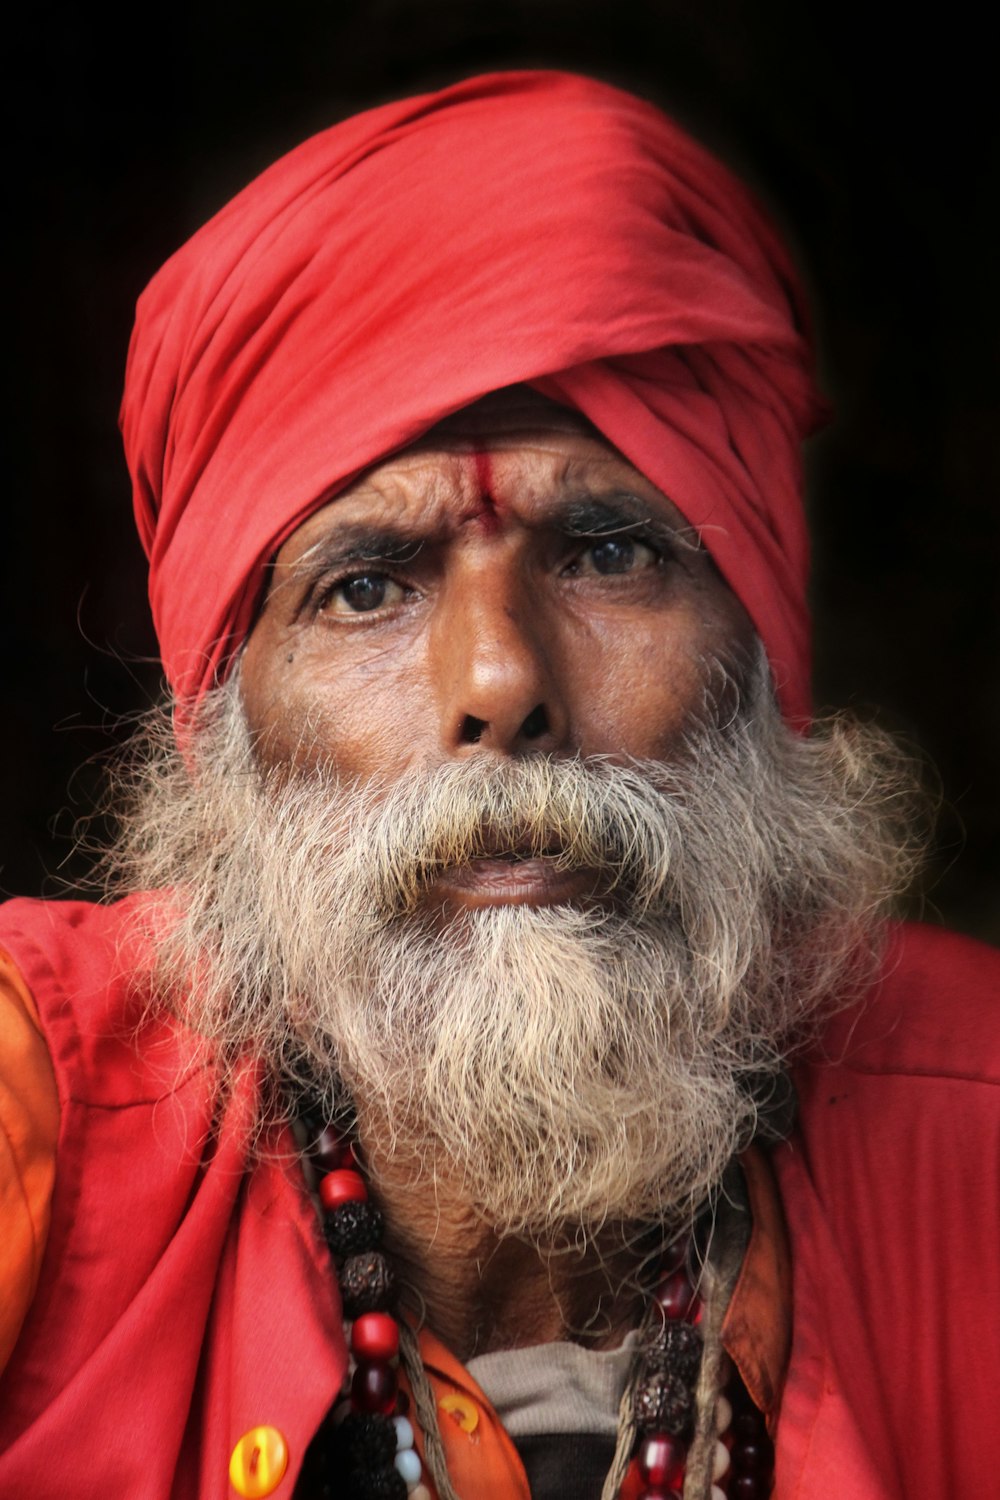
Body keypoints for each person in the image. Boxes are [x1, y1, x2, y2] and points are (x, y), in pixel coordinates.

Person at [0, 70, 996, 1500]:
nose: (498, 681)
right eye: (365, 586)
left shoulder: (976, 1123)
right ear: (224, 724)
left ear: (761, 651)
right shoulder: (39, 1102)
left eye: (607, 552)